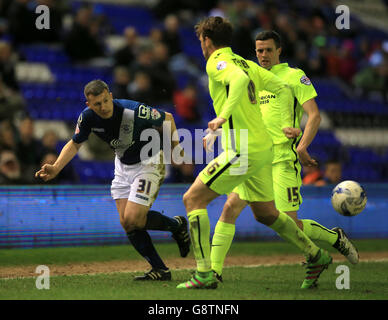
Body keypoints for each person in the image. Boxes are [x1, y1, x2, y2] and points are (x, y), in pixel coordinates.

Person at [177, 17, 332, 290]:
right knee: (265, 213)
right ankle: (315, 254)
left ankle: (203, 274)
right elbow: (280, 87)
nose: (201, 45)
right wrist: (288, 122)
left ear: (207, 41)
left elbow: (236, 81)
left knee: (192, 199)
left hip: (242, 149)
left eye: (201, 40)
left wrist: (222, 116)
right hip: (263, 150)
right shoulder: (244, 62)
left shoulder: (218, 62)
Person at [209, 30, 358, 284]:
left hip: (281, 157)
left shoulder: (294, 77)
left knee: (289, 223)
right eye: (258, 50)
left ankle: (334, 239)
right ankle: (213, 272)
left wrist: (301, 143)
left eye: (268, 50)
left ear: (279, 51)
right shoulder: (252, 75)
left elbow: (314, 115)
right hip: (255, 155)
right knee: (230, 207)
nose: (263, 55)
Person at [35, 79, 190, 281]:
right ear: (88, 105)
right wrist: (56, 167)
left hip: (148, 163)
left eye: (105, 101)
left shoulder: (133, 110)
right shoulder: (87, 118)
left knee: (134, 218)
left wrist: (175, 149)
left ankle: (176, 226)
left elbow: (167, 118)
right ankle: (160, 269)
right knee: (127, 223)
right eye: (97, 104)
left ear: (110, 96)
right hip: (123, 166)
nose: (103, 107)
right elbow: (74, 144)